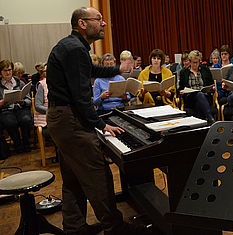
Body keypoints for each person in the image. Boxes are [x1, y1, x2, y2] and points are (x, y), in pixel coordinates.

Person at [46, 7, 148, 235]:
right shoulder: (74, 50)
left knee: (73, 176)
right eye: (98, 20)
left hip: (60, 119)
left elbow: (91, 69)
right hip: (69, 120)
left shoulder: (72, 46)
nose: (103, 24)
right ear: (82, 24)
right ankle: (115, 227)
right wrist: (102, 125)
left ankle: (74, 227)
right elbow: (81, 97)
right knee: (98, 175)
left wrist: (117, 68)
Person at [0, 60, 33, 153]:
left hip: (20, 108)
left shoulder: (20, 82)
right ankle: (17, 144)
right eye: (5, 71)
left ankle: (26, 143)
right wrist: (2, 102)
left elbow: (29, 100)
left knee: (26, 119)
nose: (8, 72)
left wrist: (22, 102)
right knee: (10, 122)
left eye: (9, 70)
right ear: (1, 73)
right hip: (6, 110)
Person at [178, 50, 215, 124]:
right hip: (190, 98)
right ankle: (209, 117)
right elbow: (180, 88)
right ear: (190, 61)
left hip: (205, 96)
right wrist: (181, 92)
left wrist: (212, 88)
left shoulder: (205, 70)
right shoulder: (184, 72)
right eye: (193, 62)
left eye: (197, 62)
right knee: (198, 94)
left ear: (199, 61)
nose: (195, 64)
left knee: (200, 99)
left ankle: (201, 125)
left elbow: (211, 84)